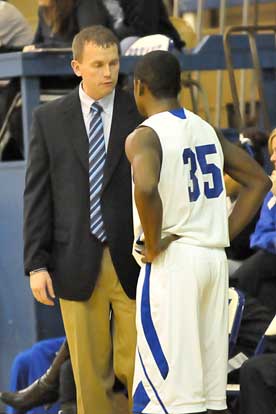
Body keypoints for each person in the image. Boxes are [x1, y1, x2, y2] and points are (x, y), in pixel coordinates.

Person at [125, 50, 270, 414]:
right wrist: (221, 233)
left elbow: (144, 186)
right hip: (212, 261)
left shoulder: (145, 135)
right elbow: (258, 180)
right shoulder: (205, 128)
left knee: (164, 398)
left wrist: (154, 241)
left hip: (175, 265)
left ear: (140, 87)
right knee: (208, 395)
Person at [23, 25, 141, 414]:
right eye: (98, 65)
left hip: (134, 258)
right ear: (77, 66)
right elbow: (38, 195)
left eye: (114, 63)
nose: (108, 73)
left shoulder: (138, 110)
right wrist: (36, 263)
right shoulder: (48, 119)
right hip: (73, 257)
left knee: (139, 368)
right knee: (90, 378)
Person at [234, 128, 276, 313]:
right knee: (266, 293)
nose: (273, 158)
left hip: (265, 258)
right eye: (272, 152)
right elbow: (259, 236)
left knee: (238, 283)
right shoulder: (271, 192)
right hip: (267, 257)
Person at [24, 0, 111, 50]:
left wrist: (44, 48)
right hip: (49, 69)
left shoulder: (85, 3)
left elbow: (91, 42)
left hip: (76, 71)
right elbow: (36, 43)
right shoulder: (43, 10)